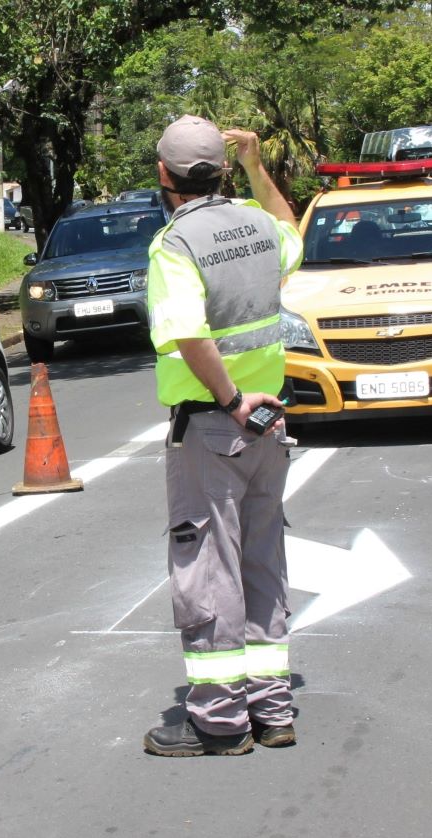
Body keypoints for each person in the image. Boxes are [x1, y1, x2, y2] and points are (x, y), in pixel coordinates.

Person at [142, 115, 304, 757]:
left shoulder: (175, 245)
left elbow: (189, 334)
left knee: (207, 565)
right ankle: (272, 709)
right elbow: (293, 228)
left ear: (165, 175)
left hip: (216, 428)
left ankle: (218, 719)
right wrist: (261, 168)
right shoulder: (259, 226)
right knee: (263, 562)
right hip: (269, 428)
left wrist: (232, 402)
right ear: (226, 171)